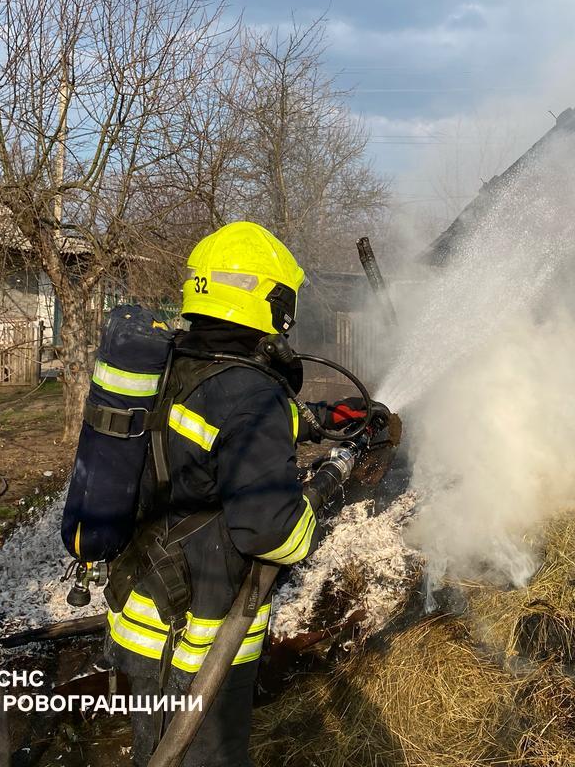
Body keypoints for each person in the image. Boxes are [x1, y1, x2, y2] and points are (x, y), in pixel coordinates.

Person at [103, 221, 383, 766]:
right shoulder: (251, 393)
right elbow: (273, 532)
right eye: (285, 302)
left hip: (142, 607)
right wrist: (326, 482)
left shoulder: (179, 362)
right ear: (266, 302)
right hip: (194, 642)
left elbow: (212, 434)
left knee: (155, 749)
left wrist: (319, 421)